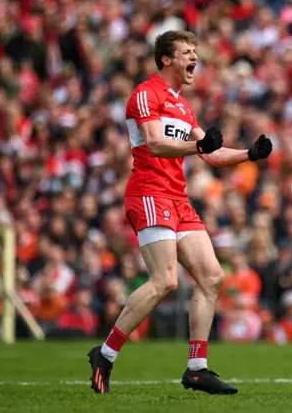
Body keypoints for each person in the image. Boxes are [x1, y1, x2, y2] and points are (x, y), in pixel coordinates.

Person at [87, 30, 272, 395]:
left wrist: (248, 154)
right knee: (165, 281)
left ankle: (197, 369)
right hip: (149, 194)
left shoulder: (184, 106)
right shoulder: (145, 94)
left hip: (177, 198)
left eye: (196, 52)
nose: (194, 58)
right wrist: (197, 144)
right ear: (166, 59)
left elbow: (209, 153)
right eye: (187, 52)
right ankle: (105, 354)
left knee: (213, 277)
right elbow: (155, 144)